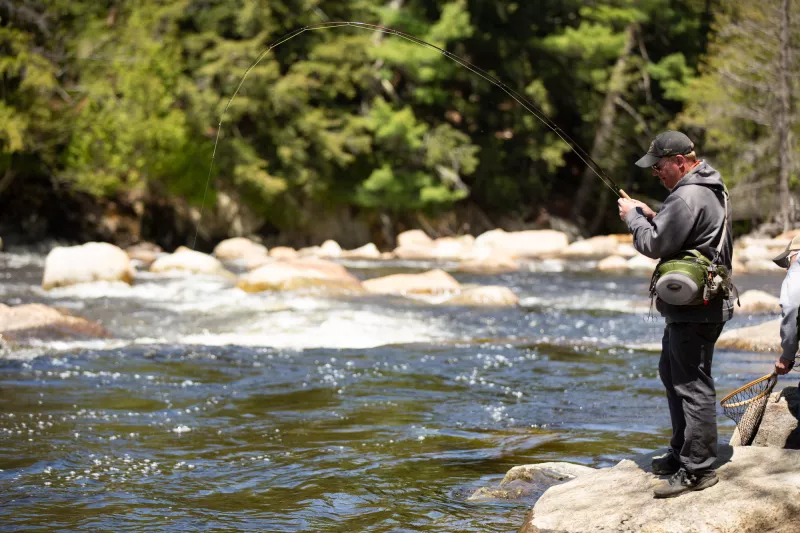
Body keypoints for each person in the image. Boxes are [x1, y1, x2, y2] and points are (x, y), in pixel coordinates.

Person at [617, 130, 734, 498]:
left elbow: (654, 244)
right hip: (701, 304)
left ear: (680, 162)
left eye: (660, 166)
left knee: (691, 385)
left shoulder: (685, 196)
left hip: (694, 308)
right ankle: (682, 449)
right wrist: (654, 213)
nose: (657, 173)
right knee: (672, 372)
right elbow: (686, 231)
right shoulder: (708, 187)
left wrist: (634, 219)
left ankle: (698, 469)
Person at [772, 236, 800, 376]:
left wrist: (787, 356)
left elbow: (792, 308)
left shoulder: (796, 271)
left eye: (786, 263)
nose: (786, 269)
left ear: (794, 255)